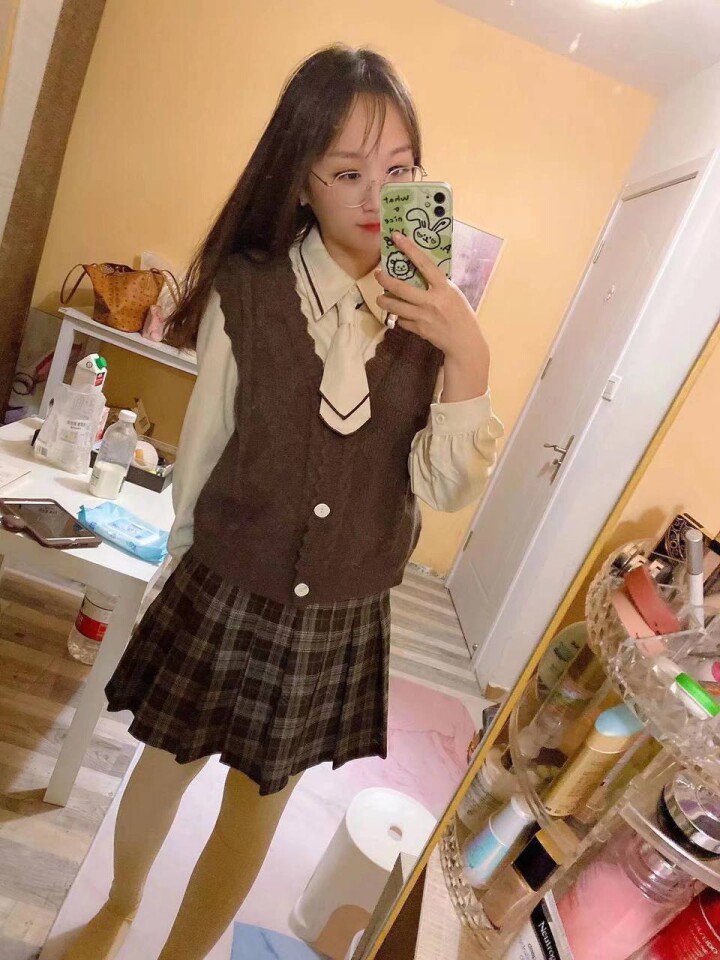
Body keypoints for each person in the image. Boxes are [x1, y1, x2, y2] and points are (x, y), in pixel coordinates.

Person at [61, 43, 504, 960]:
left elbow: (443, 486)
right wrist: (176, 563)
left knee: (259, 805)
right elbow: (208, 444)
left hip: (342, 608)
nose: (378, 196)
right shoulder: (249, 289)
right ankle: (117, 908)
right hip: (226, 578)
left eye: (400, 171)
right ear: (300, 179)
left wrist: (470, 356)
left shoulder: (436, 316)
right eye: (348, 172)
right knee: (166, 764)